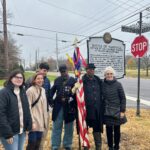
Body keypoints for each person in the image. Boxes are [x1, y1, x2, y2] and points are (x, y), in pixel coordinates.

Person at [0, 70, 32, 150]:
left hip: (22, 131)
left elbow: (27, 110)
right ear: (11, 78)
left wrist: (28, 126)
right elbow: (1, 114)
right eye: (16, 77)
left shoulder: (22, 92)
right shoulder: (4, 93)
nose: (19, 79)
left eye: (21, 78)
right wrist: (7, 134)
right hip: (10, 132)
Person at [50, 64, 76, 150]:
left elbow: (76, 94)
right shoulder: (57, 80)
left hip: (69, 107)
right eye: (61, 72)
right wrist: (51, 101)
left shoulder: (73, 80)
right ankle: (55, 145)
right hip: (58, 107)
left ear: (67, 71)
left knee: (69, 128)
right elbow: (52, 92)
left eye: (64, 71)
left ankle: (67, 144)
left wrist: (74, 102)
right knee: (57, 127)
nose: (63, 73)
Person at [25, 62, 51, 149]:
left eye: (42, 78)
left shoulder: (43, 90)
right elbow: (27, 107)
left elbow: (45, 104)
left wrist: (45, 120)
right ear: (34, 80)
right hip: (34, 121)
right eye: (38, 78)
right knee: (32, 144)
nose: (40, 80)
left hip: (41, 121)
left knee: (38, 144)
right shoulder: (30, 90)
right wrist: (31, 122)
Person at [102, 66, 127, 150]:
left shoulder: (118, 84)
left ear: (113, 74)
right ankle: (110, 147)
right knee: (109, 130)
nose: (109, 75)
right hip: (107, 111)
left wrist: (122, 111)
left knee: (117, 130)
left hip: (117, 111)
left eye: (111, 73)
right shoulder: (102, 84)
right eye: (107, 74)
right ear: (105, 75)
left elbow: (123, 98)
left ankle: (116, 146)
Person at [82, 63, 103, 150]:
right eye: (90, 69)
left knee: (97, 130)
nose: (91, 70)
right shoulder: (82, 80)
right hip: (86, 110)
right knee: (84, 130)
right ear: (86, 70)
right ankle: (86, 147)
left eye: (93, 69)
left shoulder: (98, 80)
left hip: (96, 110)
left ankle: (98, 147)